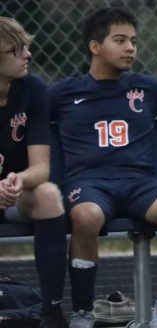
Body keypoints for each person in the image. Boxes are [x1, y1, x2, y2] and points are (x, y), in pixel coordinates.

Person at [50, 8, 157, 328]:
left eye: (134, 42)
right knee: (86, 216)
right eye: (120, 40)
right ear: (95, 47)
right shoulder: (66, 92)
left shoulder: (145, 87)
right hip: (90, 184)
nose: (130, 48)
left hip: (140, 183)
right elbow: (25, 116)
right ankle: (82, 312)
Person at [0, 18, 68, 328]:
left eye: (26, 46)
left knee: (49, 195)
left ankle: (51, 312)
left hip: (14, 195)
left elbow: (41, 167)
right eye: (16, 49)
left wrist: (18, 181)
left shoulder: (33, 89)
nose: (27, 54)